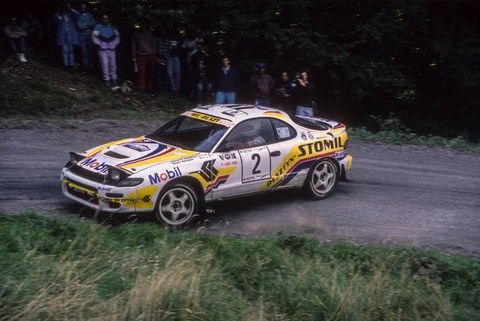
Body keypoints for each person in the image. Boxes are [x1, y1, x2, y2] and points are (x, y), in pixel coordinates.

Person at [92, 15, 120, 89]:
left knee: (113, 65)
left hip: (112, 49)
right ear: (102, 19)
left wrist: (114, 44)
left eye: (106, 19)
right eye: (104, 19)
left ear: (108, 19)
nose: (105, 20)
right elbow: (94, 37)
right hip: (102, 49)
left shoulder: (113, 27)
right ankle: (107, 80)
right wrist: (99, 44)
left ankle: (114, 80)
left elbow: (117, 37)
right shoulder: (98, 27)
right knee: (104, 65)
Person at [131, 24, 156, 92]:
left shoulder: (150, 34)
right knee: (141, 72)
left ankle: (150, 87)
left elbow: (154, 44)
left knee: (150, 72)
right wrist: (134, 56)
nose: (143, 27)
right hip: (140, 55)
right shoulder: (135, 34)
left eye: (144, 26)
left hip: (150, 54)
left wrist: (153, 52)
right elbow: (134, 46)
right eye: (142, 26)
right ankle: (142, 87)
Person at [54, 2, 79, 68]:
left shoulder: (71, 13)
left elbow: (78, 15)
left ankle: (72, 64)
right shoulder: (59, 14)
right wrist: (58, 12)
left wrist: (70, 9)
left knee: (71, 50)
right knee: (64, 50)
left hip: (71, 33)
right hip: (63, 34)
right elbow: (55, 21)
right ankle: (66, 64)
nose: (65, 7)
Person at [191, 42, 213, 106]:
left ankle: (207, 102)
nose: (201, 48)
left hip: (206, 77)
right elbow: (192, 59)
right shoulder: (195, 55)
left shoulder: (205, 55)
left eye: (201, 47)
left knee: (207, 89)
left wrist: (205, 53)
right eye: (199, 47)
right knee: (199, 90)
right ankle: (199, 103)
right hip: (199, 77)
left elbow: (210, 60)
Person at [75, 3, 96, 70]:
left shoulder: (89, 15)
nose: (83, 9)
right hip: (82, 36)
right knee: (83, 52)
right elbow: (79, 26)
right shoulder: (78, 15)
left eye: (84, 8)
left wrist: (86, 24)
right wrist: (88, 25)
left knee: (89, 52)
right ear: (80, 8)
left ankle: (91, 66)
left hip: (89, 36)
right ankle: (85, 67)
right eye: (82, 8)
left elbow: (93, 24)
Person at [155, 28, 171, 93]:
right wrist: (157, 59)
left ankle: (166, 88)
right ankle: (159, 89)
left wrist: (167, 56)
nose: (162, 32)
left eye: (164, 31)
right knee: (158, 74)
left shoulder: (167, 40)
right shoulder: (157, 39)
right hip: (158, 57)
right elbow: (154, 50)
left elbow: (169, 50)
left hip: (165, 58)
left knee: (165, 74)